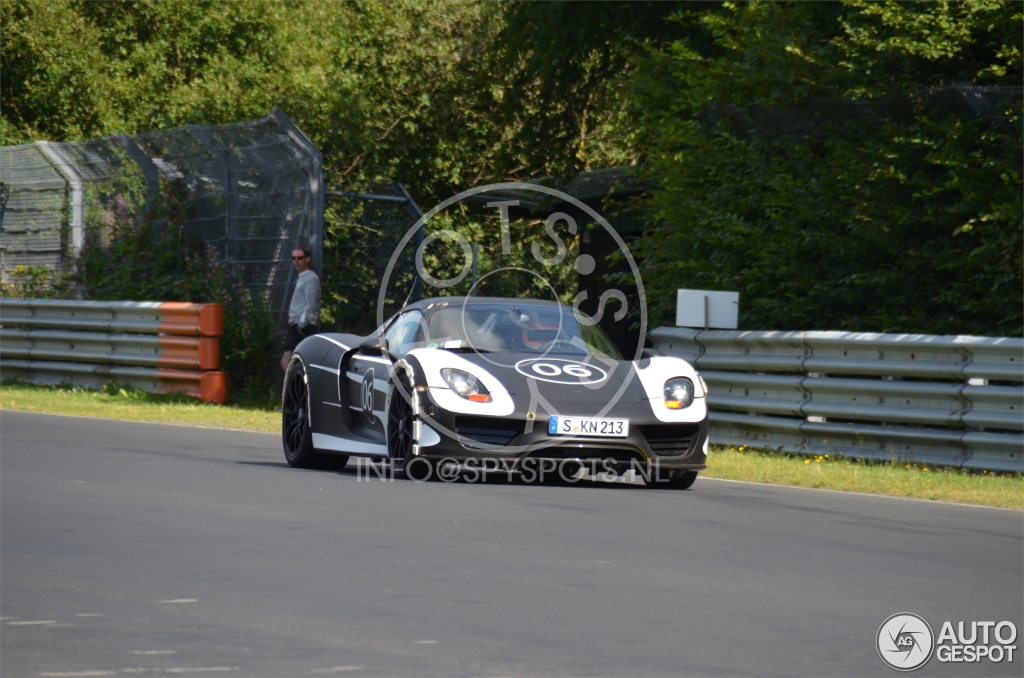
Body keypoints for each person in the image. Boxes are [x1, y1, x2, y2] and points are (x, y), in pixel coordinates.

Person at [280, 247, 321, 372]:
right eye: (294, 258)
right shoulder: (302, 277)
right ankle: (300, 389)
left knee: (287, 362)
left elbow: (311, 304)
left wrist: (301, 325)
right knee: (293, 363)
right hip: (296, 325)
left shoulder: (311, 278)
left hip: (303, 326)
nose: (296, 261)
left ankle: (299, 389)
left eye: (300, 258)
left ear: (307, 259)